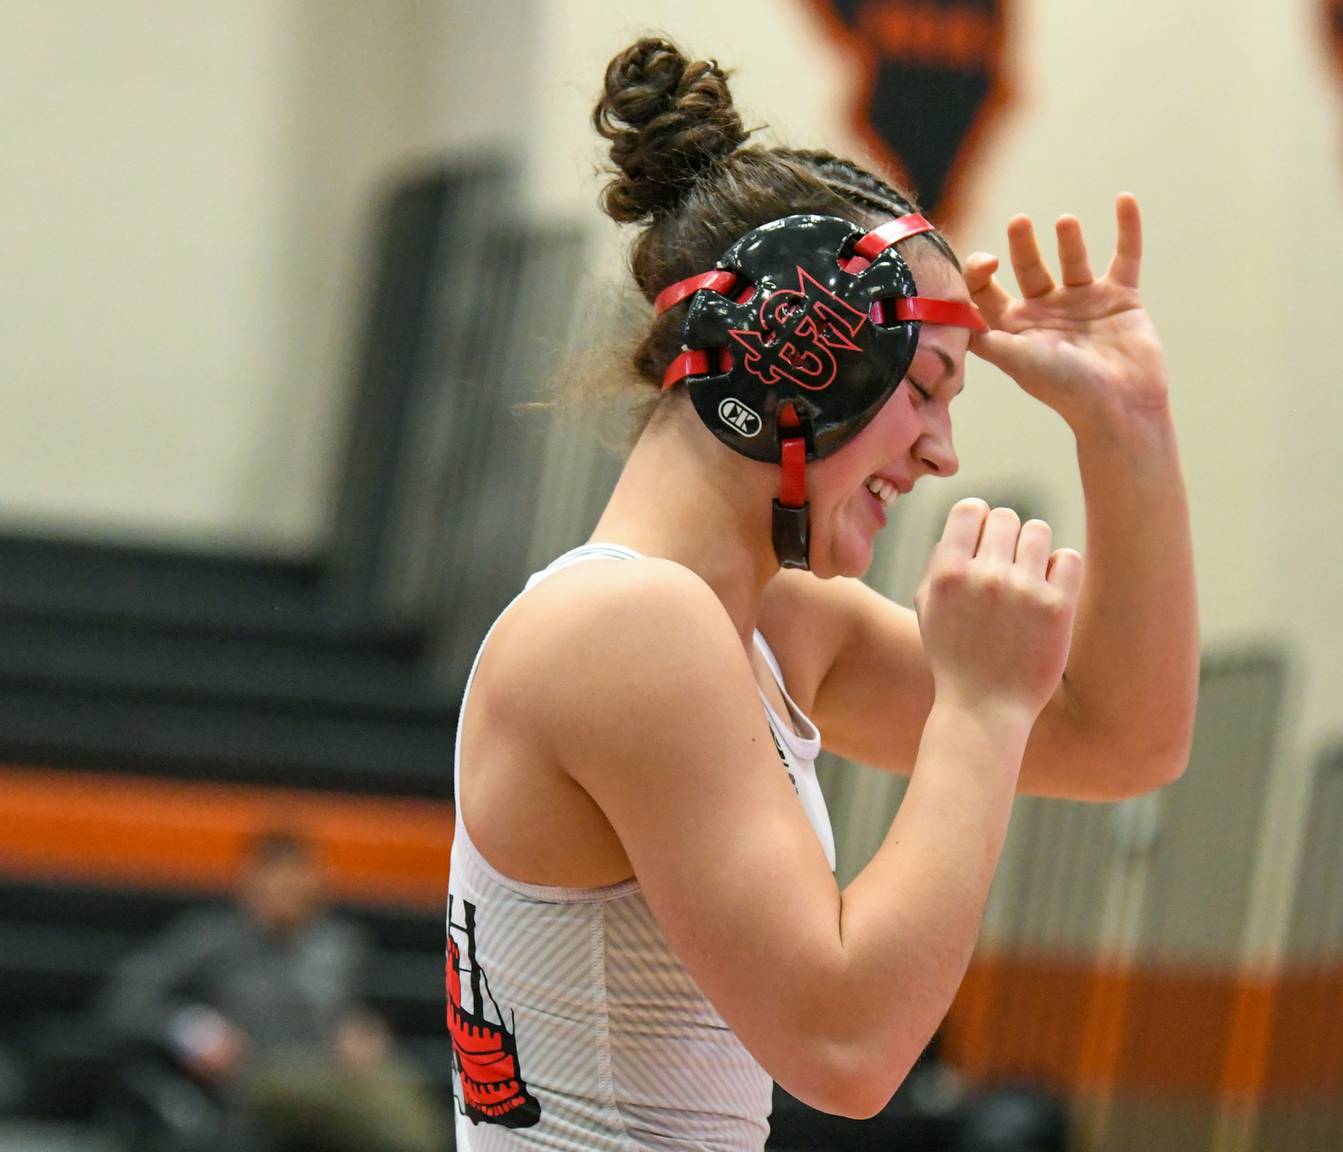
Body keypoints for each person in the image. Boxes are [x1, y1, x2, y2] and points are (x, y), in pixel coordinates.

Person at [444, 36, 1198, 1151]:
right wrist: (982, 709)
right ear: (795, 353)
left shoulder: (772, 626)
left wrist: (1127, 432)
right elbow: (847, 1049)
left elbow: (1125, 740)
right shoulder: (622, 630)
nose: (941, 452)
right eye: (929, 388)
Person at [101, 830, 443, 1152]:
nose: (288, 891)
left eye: (297, 880)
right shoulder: (211, 938)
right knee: (362, 1101)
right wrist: (194, 1029)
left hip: (336, 1072)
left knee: (398, 1082)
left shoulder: (339, 944)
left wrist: (362, 1031)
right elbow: (128, 997)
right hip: (253, 1074)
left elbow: (358, 1009)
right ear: (250, 882)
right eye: (277, 880)